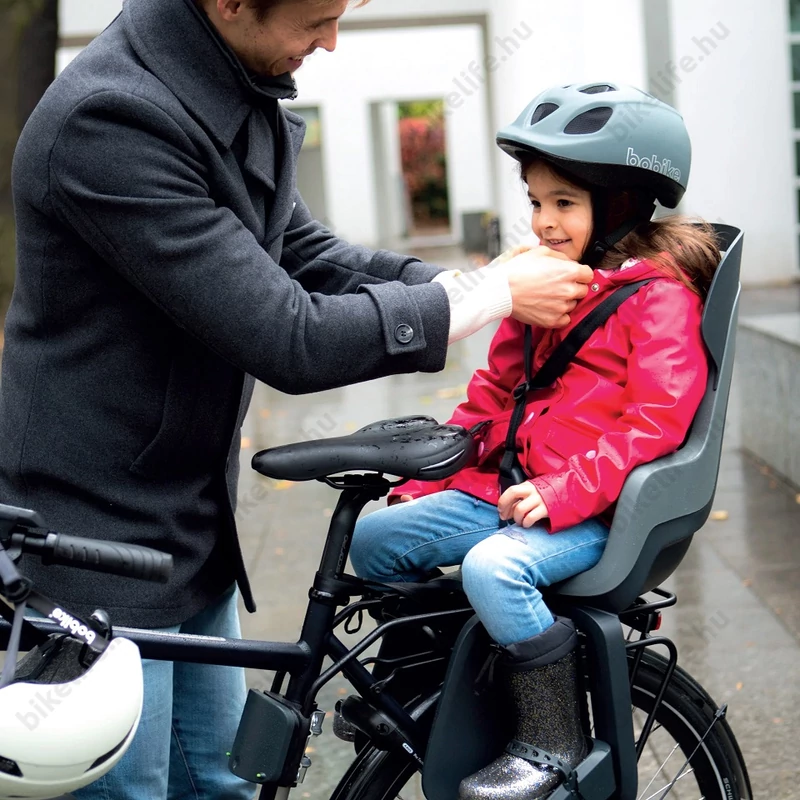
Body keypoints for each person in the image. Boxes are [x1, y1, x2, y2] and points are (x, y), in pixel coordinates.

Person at [0, 0, 594, 796]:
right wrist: (483, 298)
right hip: (95, 546)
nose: (332, 40)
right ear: (231, 2)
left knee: (222, 780)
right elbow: (286, 334)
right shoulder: (111, 121)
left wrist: (457, 285)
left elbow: (299, 251)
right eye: (317, 16)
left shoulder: (223, 79)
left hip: (185, 527)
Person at [350, 82, 721, 800]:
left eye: (564, 204)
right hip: (510, 490)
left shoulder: (660, 301)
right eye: (537, 201)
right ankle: (421, 685)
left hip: (592, 511)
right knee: (376, 541)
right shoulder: (545, 287)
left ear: (617, 207)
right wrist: (428, 474)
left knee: (495, 570)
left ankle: (550, 739)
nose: (544, 222)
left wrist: (560, 493)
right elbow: (493, 396)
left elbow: (654, 424)